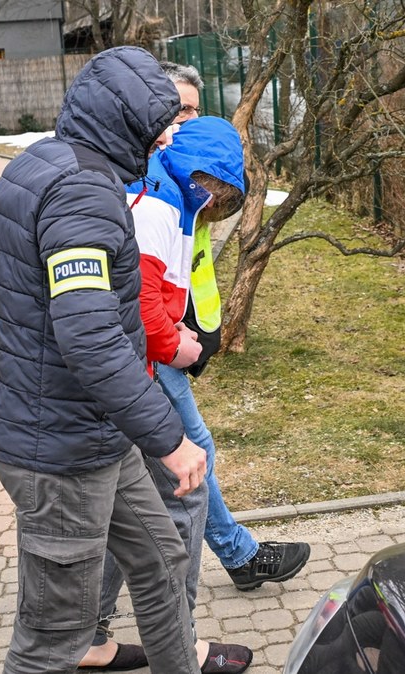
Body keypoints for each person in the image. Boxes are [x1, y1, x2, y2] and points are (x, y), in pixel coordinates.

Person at [0, 46, 207, 674]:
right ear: (126, 119)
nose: (169, 136)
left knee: (162, 562)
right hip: (59, 454)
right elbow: (89, 337)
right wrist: (169, 438)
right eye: (163, 121)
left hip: (93, 434)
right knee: (53, 638)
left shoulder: (42, 164)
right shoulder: (82, 192)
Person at [80, 116, 257, 674]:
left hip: (126, 380)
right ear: (207, 184)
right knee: (186, 491)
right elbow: (138, 304)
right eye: (216, 201)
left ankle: (90, 635)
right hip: (139, 378)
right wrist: (175, 344)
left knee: (124, 511)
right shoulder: (158, 207)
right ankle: (183, 647)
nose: (212, 213)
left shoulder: (155, 188)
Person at [157, 60, 312, 592]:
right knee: (190, 454)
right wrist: (171, 339)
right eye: (175, 111)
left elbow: (188, 264)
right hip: (153, 345)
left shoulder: (188, 177)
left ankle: (98, 614)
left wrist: (205, 328)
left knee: (156, 471)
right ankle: (237, 557)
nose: (182, 124)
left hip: (176, 335)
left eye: (192, 111)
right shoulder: (154, 184)